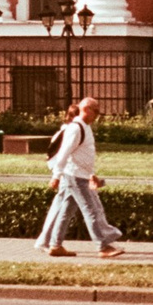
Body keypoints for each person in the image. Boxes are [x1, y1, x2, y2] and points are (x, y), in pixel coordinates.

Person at [35, 96, 123, 258]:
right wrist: (56, 175)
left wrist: (91, 174)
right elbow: (64, 153)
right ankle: (103, 246)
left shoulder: (84, 127)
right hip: (75, 176)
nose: (98, 114)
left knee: (65, 211)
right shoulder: (76, 128)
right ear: (86, 109)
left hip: (79, 175)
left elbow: (83, 154)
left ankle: (55, 245)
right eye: (95, 110)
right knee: (92, 210)